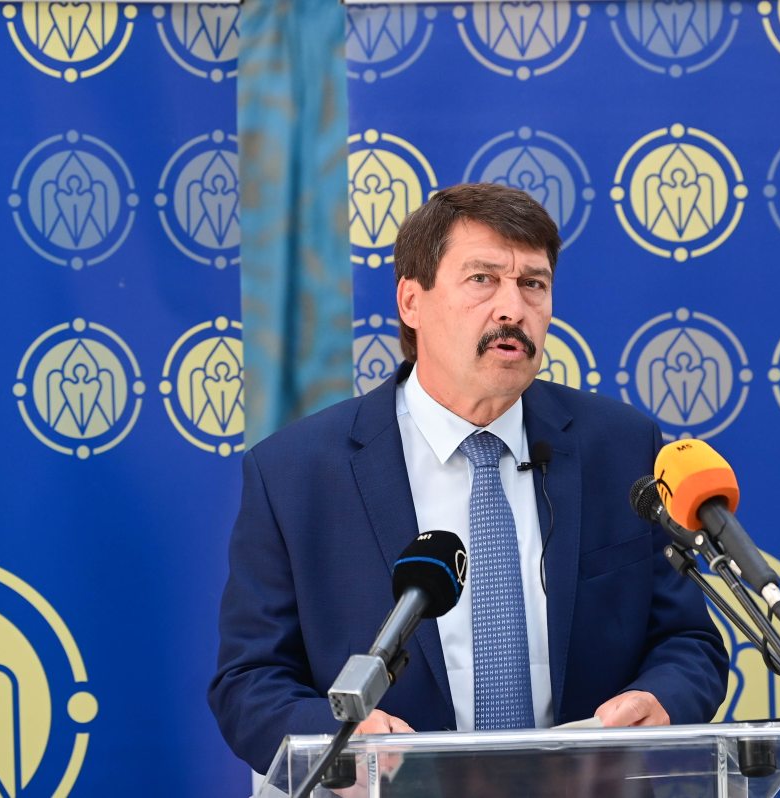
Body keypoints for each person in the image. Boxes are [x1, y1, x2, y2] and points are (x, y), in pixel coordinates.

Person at [208, 183, 728, 775]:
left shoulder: (620, 447)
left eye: (533, 284)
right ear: (412, 302)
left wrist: (662, 700)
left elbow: (688, 642)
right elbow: (249, 682)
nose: (512, 309)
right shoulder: (296, 473)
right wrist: (340, 741)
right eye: (482, 279)